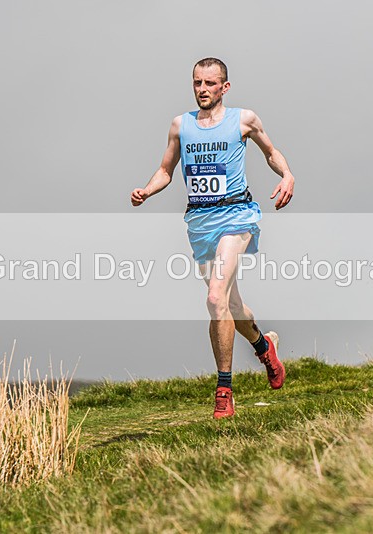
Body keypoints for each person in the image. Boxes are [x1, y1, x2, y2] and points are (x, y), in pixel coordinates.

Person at [131, 57, 295, 419]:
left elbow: (271, 153)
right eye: (197, 83)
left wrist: (287, 175)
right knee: (230, 306)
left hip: (237, 216)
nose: (203, 89)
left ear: (225, 87)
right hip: (200, 223)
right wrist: (147, 190)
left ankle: (224, 390)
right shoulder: (181, 125)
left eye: (210, 83)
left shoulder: (244, 120)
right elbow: (165, 170)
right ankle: (264, 345)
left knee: (214, 296)